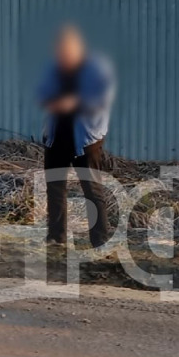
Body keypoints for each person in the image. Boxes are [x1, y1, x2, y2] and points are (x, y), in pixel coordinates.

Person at [35, 24, 118, 247]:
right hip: (57, 136)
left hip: (86, 139)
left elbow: (102, 99)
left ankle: (100, 241)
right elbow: (43, 94)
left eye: (67, 48)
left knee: (92, 190)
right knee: (55, 187)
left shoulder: (97, 69)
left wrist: (74, 102)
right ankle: (56, 237)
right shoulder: (54, 69)